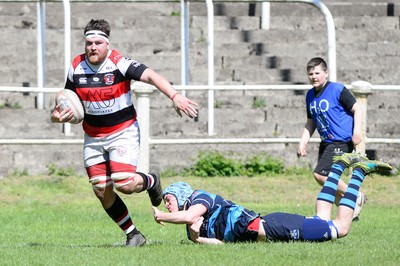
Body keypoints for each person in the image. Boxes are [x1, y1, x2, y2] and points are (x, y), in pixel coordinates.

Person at [50, 19, 198, 247]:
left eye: (98, 42)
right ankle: (133, 234)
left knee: (125, 184)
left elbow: (151, 75)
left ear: (107, 44)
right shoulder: (76, 66)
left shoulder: (119, 63)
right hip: (93, 137)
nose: (93, 47)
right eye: (89, 42)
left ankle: (151, 181)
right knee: (101, 190)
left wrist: (175, 95)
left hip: (122, 132)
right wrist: (57, 114)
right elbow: (66, 99)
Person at [152, 152, 392, 244]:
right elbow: (221, 246)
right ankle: (339, 166)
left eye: (169, 199)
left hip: (275, 228)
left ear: (181, 193)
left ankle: (359, 172)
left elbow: (188, 215)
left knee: (341, 228)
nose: (167, 204)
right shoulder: (191, 224)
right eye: (166, 204)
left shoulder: (199, 199)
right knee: (321, 218)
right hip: (273, 227)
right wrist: (197, 238)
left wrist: (162, 215)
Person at [297, 57, 365, 220]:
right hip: (326, 142)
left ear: (326, 73)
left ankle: (354, 195)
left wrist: (357, 132)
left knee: (321, 174)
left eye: (317, 73)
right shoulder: (310, 96)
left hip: (341, 141)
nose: (314, 76)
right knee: (326, 181)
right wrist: (302, 142)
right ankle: (349, 211)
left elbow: (358, 109)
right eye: (311, 73)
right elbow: (310, 122)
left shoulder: (337, 89)